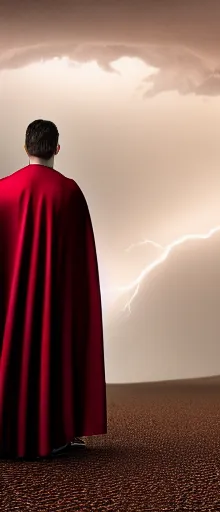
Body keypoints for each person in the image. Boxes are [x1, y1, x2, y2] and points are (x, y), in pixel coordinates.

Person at [0, 120, 107, 458]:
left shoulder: (2, 190)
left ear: (25, 147)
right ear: (56, 149)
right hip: (54, 302)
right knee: (52, 353)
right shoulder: (70, 192)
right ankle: (55, 434)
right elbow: (80, 260)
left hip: (9, 301)